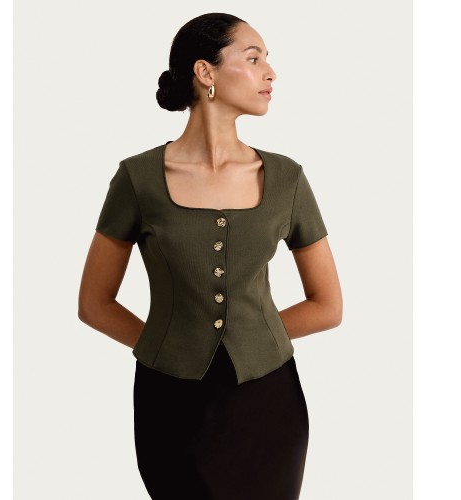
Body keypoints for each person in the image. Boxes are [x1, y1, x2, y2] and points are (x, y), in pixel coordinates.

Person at [78, 12, 342, 500]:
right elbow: (94, 304)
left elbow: (327, 306)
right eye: (254, 58)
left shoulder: (287, 179)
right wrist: (170, 345)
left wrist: (251, 337)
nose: (270, 73)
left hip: (268, 402)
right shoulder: (137, 179)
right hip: (170, 403)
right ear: (206, 72)